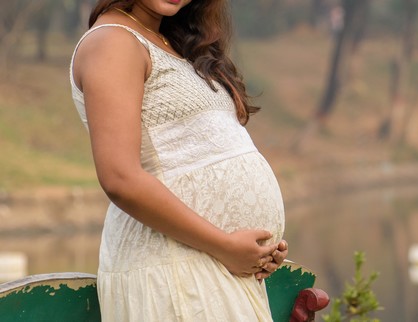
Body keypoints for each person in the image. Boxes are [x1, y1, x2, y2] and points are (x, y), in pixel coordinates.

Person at [69, 0, 288, 320]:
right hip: (171, 272)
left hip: (212, 267)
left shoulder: (176, 44)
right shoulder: (113, 41)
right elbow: (119, 177)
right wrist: (226, 246)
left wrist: (258, 250)